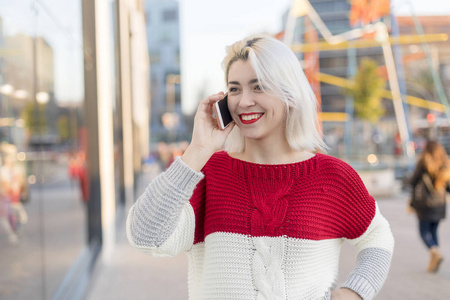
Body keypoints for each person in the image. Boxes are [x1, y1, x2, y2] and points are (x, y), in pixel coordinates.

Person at [127, 35, 394, 300]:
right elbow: (145, 236)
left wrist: (354, 292)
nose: (244, 101)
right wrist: (197, 150)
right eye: (234, 89)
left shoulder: (332, 176)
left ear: (289, 93)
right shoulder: (208, 173)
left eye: (259, 86)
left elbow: (377, 238)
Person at [409, 140, 448, 273]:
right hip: (440, 203)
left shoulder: (423, 162)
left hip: (424, 204)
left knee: (423, 232)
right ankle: (434, 259)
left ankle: (434, 251)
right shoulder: (445, 163)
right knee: (433, 231)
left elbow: (413, 181)